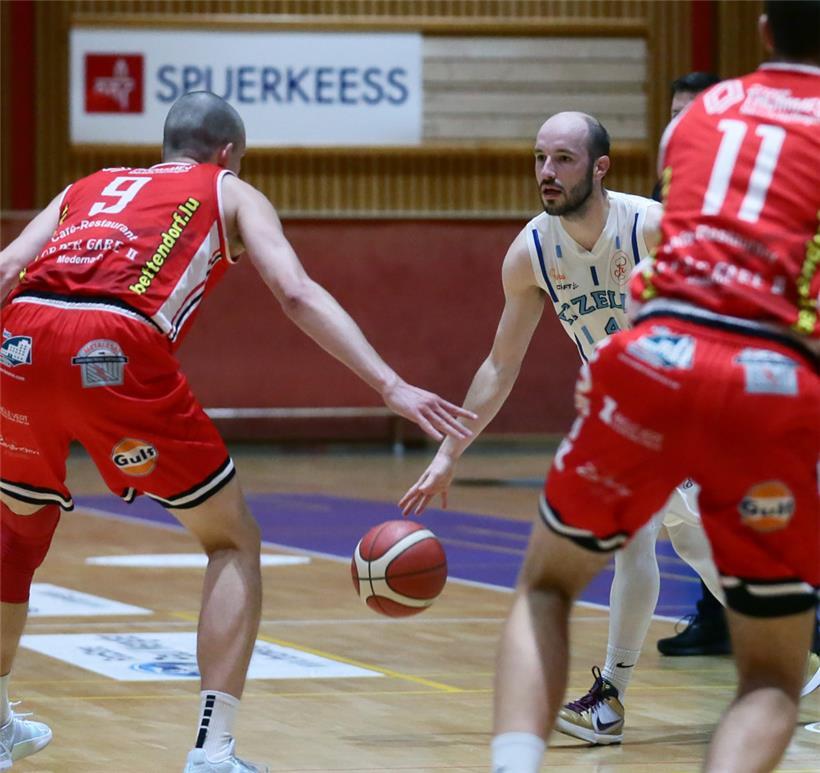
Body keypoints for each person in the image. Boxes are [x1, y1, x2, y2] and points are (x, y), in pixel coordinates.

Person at [0, 92, 476, 772]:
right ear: (228, 153)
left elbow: (9, 267)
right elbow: (296, 292)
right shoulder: (229, 189)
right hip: (115, 342)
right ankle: (213, 750)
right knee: (232, 539)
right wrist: (390, 384)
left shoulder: (89, 185)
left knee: (15, 535)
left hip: (18, 341)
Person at [489, 1, 819, 771]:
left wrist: (622, 363)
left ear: (764, 29)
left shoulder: (697, 118)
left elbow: (669, 266)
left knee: (546, 587)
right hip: (765, 374)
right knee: (769, 671)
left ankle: (534, 746)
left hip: (654, 358)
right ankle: (612, 695)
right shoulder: (535, 246)